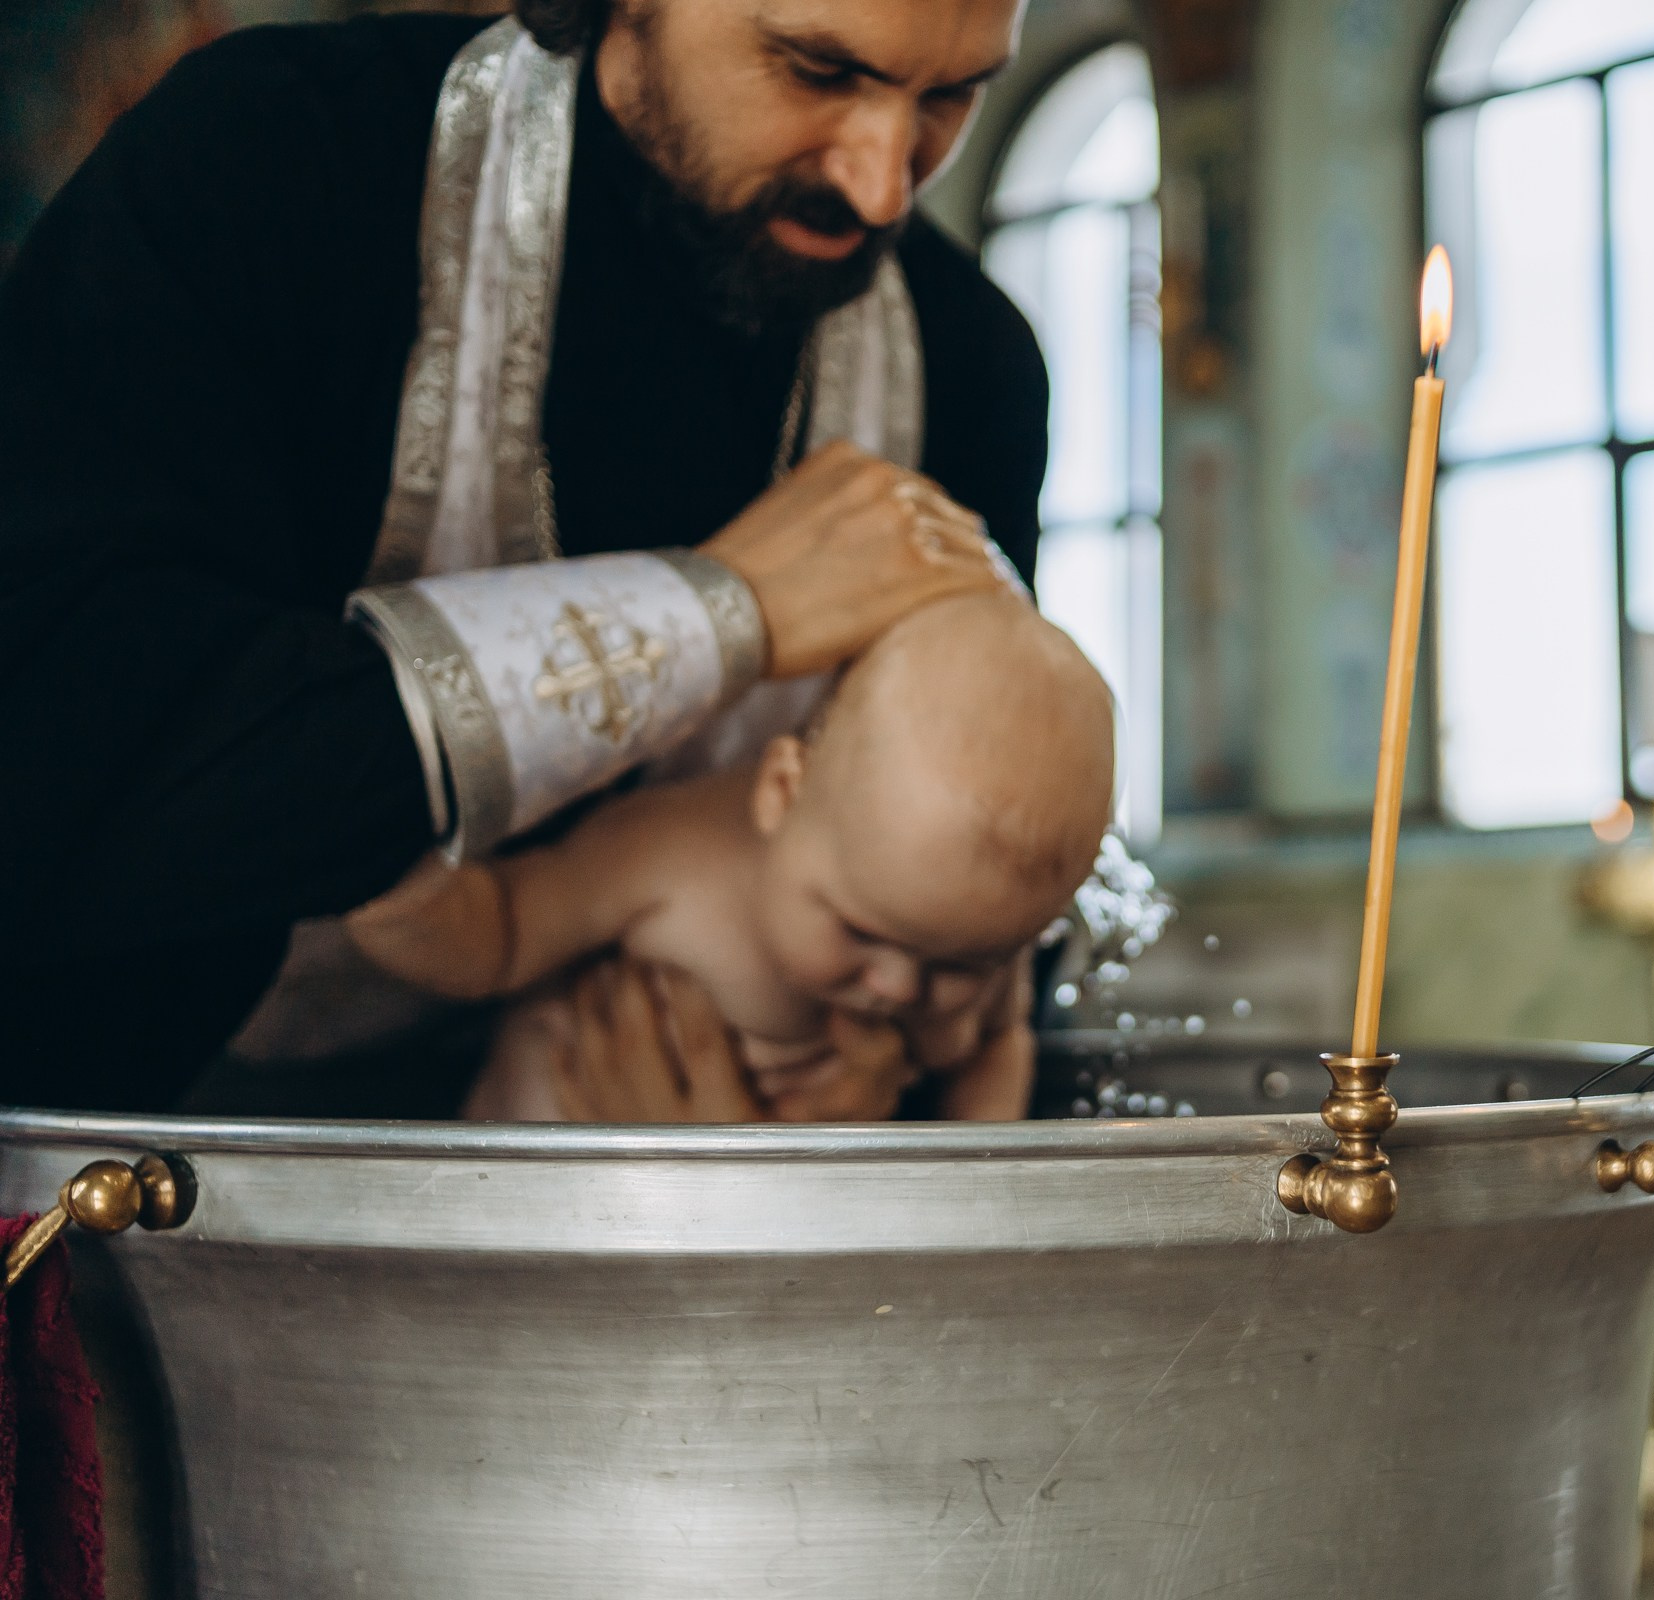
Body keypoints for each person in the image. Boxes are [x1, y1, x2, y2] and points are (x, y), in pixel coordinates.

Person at [0, 0, 1054, 1111]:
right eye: (814, 71)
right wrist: (718, 611)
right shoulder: (267, 159)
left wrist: (875, 1058)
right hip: (141, 1130)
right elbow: (64, 745)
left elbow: (997, 853)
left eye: (951, 95)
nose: (883, 186)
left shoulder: (970, 363)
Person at [345, 594, 1115, 1124]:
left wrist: (973, 1177)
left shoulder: (975, 926)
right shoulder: (678, 853)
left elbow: (997, 1049)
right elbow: (511, 925)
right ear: (782, 792)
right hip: (536, 1173)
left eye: (960, 966)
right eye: (860, 931)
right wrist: (386, 893)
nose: (899, 986)